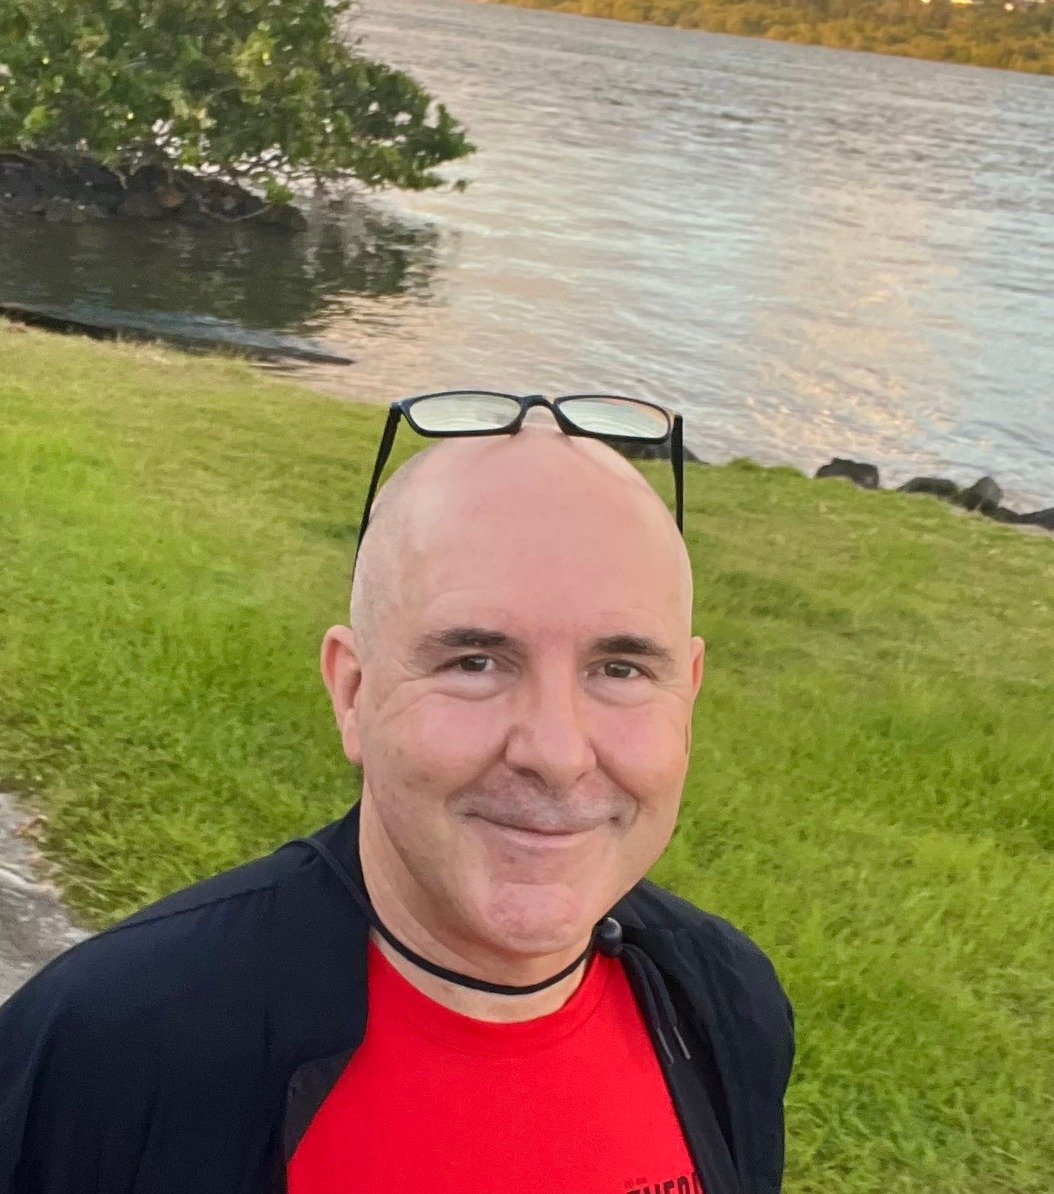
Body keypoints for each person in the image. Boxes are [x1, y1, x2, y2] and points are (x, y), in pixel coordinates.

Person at [0, 396, 794, 1194]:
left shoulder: (725, 1001)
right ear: (352, 693)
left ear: (686, 695)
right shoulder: (110, 1047)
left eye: (619, 670)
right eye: (475, 662)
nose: (556, 753)